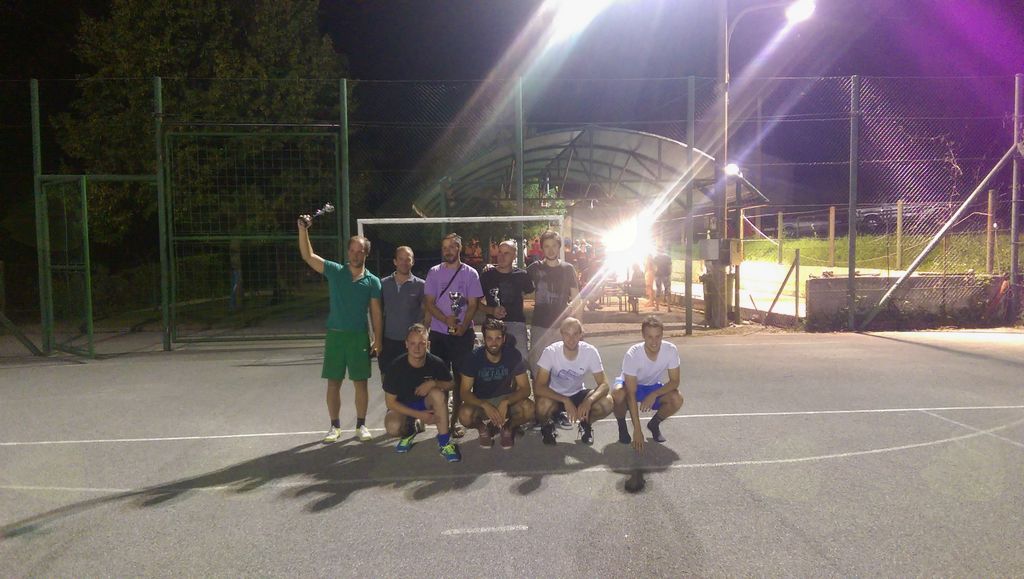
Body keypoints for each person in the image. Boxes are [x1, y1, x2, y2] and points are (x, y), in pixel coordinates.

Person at [297, 217, 382, 444]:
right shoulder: (335, 271)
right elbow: (308, 256)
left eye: (360, 251)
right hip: (335, 335)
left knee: (360, 383)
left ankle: (361, 425)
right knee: (333, 382)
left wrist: (378, 340)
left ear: (366, 254)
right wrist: (303, 230)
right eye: (352, 250)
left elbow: (376, 313)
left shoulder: (373, 281)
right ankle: (334, 426)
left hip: (358, 337)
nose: (355, 255)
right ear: (348, 252)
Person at [424, 232, 483, 437]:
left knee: (460, 382)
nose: (447, 251)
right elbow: (429, 303)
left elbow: (473, 304)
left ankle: (453, 423)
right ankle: (442, 423)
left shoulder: (470, 273)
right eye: (444, 248)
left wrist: (463, 325)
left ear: (459, 248)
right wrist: (445, 320)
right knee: (441, 381)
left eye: (451, 247)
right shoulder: (434, 272)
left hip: (462, 335)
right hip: (439, 335)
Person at [382, 324, 461, 462]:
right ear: (406, 344)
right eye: (413, 343)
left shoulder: (435, 362)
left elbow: (451, 383)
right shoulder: (396, 367)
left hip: (425, 402)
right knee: (393, 427)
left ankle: (444, 442)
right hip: (404, 406)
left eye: (421, 343)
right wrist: (420, 415)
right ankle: (410, 430)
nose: (417, 348)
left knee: (438, 394)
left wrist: (433, 383)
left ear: (428, 344)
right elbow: (390, 403)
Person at [533, 317, 612, 446]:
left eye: (575, 334)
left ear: (581, 334)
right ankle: (547, 426)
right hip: (555, 395)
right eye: (567, 334)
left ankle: (585, 423)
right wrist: (565, 400)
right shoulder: (551, 352)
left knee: (607, 402)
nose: (571, 339)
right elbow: (539, 387)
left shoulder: (590, 351)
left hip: (578, 393)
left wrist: (588, 401)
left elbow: (604, 384)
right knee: (542, 406)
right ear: (561, 334)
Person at [458, 319, 535, 449]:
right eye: (489, 338)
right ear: (484, 339)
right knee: (464, 415)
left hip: (505, 398)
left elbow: (525, 389)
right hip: (482, 400)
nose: (494, 343)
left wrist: (506, 401)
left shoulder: (513, 355)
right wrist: (484, 404)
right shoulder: (473, 358)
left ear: (503, 338)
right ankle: (483, 429)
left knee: (529, 409)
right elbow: (464, 392)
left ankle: (508, 428)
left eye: (498, 338)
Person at [611, 316, 684, 452]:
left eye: (658, 337)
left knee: (677, 398)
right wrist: (637, 430)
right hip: (630, 385)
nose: (654, 342)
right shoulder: (633, 354)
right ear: (643, 336)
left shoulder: (670, 350)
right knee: (618, 394)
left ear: (662, 335)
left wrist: (654, 394)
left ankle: (654, 424)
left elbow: (675, 381)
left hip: (652, 386)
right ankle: (622, 425)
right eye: (650, 337)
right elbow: (631, 393)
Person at [527, 230, 580, 375]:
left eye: (554, 246)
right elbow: (518, 283)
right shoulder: (534, 268)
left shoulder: (568, 269)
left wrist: (579, 325)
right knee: (537, 368)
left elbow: (577, 299)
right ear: (542, 248)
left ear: (559, 247)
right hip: (539, 326)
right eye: (547, 246)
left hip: (561, 327)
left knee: (561, 369)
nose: (551, 250)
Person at [480, 239, 535, 364]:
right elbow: (475, 303)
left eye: (506, 253)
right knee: (491, 362)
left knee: (520, 361)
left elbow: (532, 294)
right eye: (500, 252)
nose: (502, 256)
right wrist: (491, 310)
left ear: (514, 255)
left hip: (516, 324)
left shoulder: (522, 275)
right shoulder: (487, 276)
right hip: (492, 325)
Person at [379, 246, 426, 377]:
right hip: (388, 342)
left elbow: (426, 313)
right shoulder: (382, 284)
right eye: (401, 259)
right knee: (388, 379)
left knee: (412, 379)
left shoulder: (421, 285)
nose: (404, 262)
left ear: (413, 262)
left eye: (407, 259)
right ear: (395, 261)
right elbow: (377, 313)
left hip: (411, 343)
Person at [653, 247, 673, 312]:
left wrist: (654, 274)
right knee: (668, 290)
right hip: (666, 275)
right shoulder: (668, 257)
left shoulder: (656, 258)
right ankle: (669, 308)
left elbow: (654, 267)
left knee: (658, 290)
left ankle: (657, 307)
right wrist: (669, 273)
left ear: (657, 251)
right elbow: (670, 267)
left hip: (658, 275)